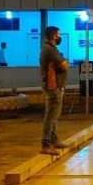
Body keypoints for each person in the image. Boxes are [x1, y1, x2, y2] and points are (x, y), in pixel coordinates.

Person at [39, 26, 69, 156]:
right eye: (58, 35)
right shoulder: (50, 50)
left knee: (54, 116)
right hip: (53, 87)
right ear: (53, 35)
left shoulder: (50, 49)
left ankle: (54, 139)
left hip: (55, 86)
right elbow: (64, 66)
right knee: (51, 116)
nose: (59, 37)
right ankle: (46, 144)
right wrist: (65, 62)